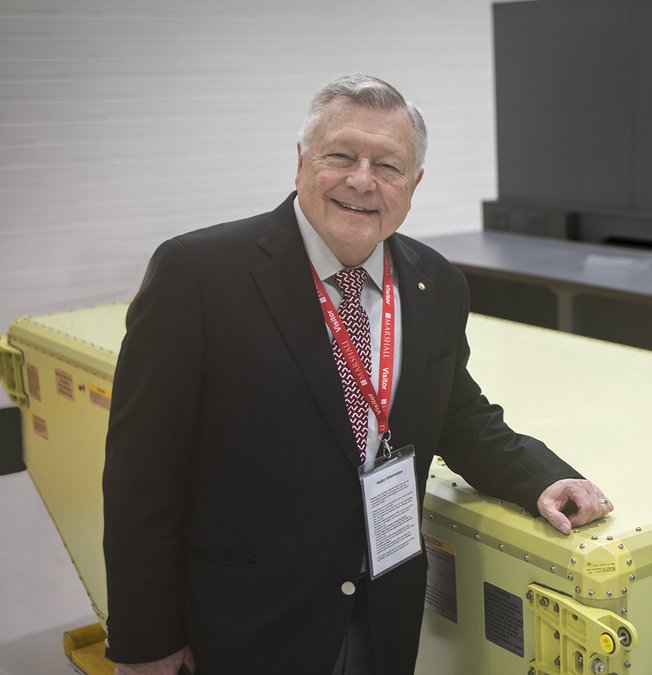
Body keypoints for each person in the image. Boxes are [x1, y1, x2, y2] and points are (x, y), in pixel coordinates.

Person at [103, 73, 614, 675]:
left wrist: (542, 479)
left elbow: (458, 413)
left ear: (414, 184)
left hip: (383, 609)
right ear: (301, 161)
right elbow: (142, 476)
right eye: (340, 155)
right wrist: (145, 638)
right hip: (243, 622)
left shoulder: (437, 283)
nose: (362, 180)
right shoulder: (199, 275)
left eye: (388, 166)